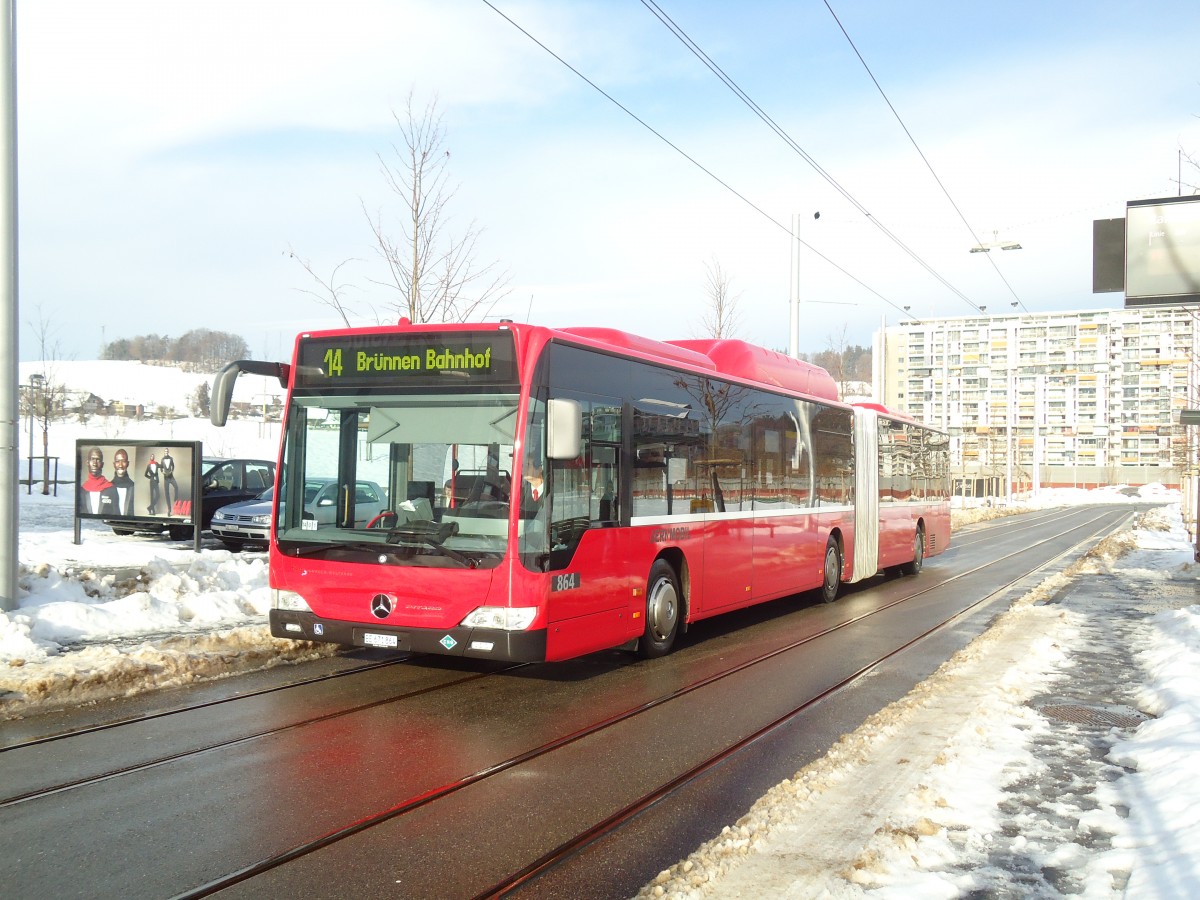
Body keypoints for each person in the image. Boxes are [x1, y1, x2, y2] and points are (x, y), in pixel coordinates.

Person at [78, 446, 118, 516]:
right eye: (92, 459)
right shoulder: (82, 490)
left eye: (98, 460)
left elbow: (117, 515)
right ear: (87, 463)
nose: (94, 464)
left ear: (102, 464)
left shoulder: (111, 489)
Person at [110, 448, 136, 515]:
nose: (120, 465)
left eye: (123, 461)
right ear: (114, 464)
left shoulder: (134, 488)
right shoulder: (107, 488)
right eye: (117, 461)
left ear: (127, 463)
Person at [160, 449, 178, 513]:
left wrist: (172, 471)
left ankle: (175, 499)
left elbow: (173, 466)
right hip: (166, 478)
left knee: (176, 487)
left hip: (171, 477)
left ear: (168, 452)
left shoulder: (171, 458)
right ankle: (169, 509)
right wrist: (162, 472)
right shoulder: (162, 459)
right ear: (164, 452)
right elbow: (161, 468)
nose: (166, 452)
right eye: (165, 451)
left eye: (167, 451)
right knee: (166, 493)